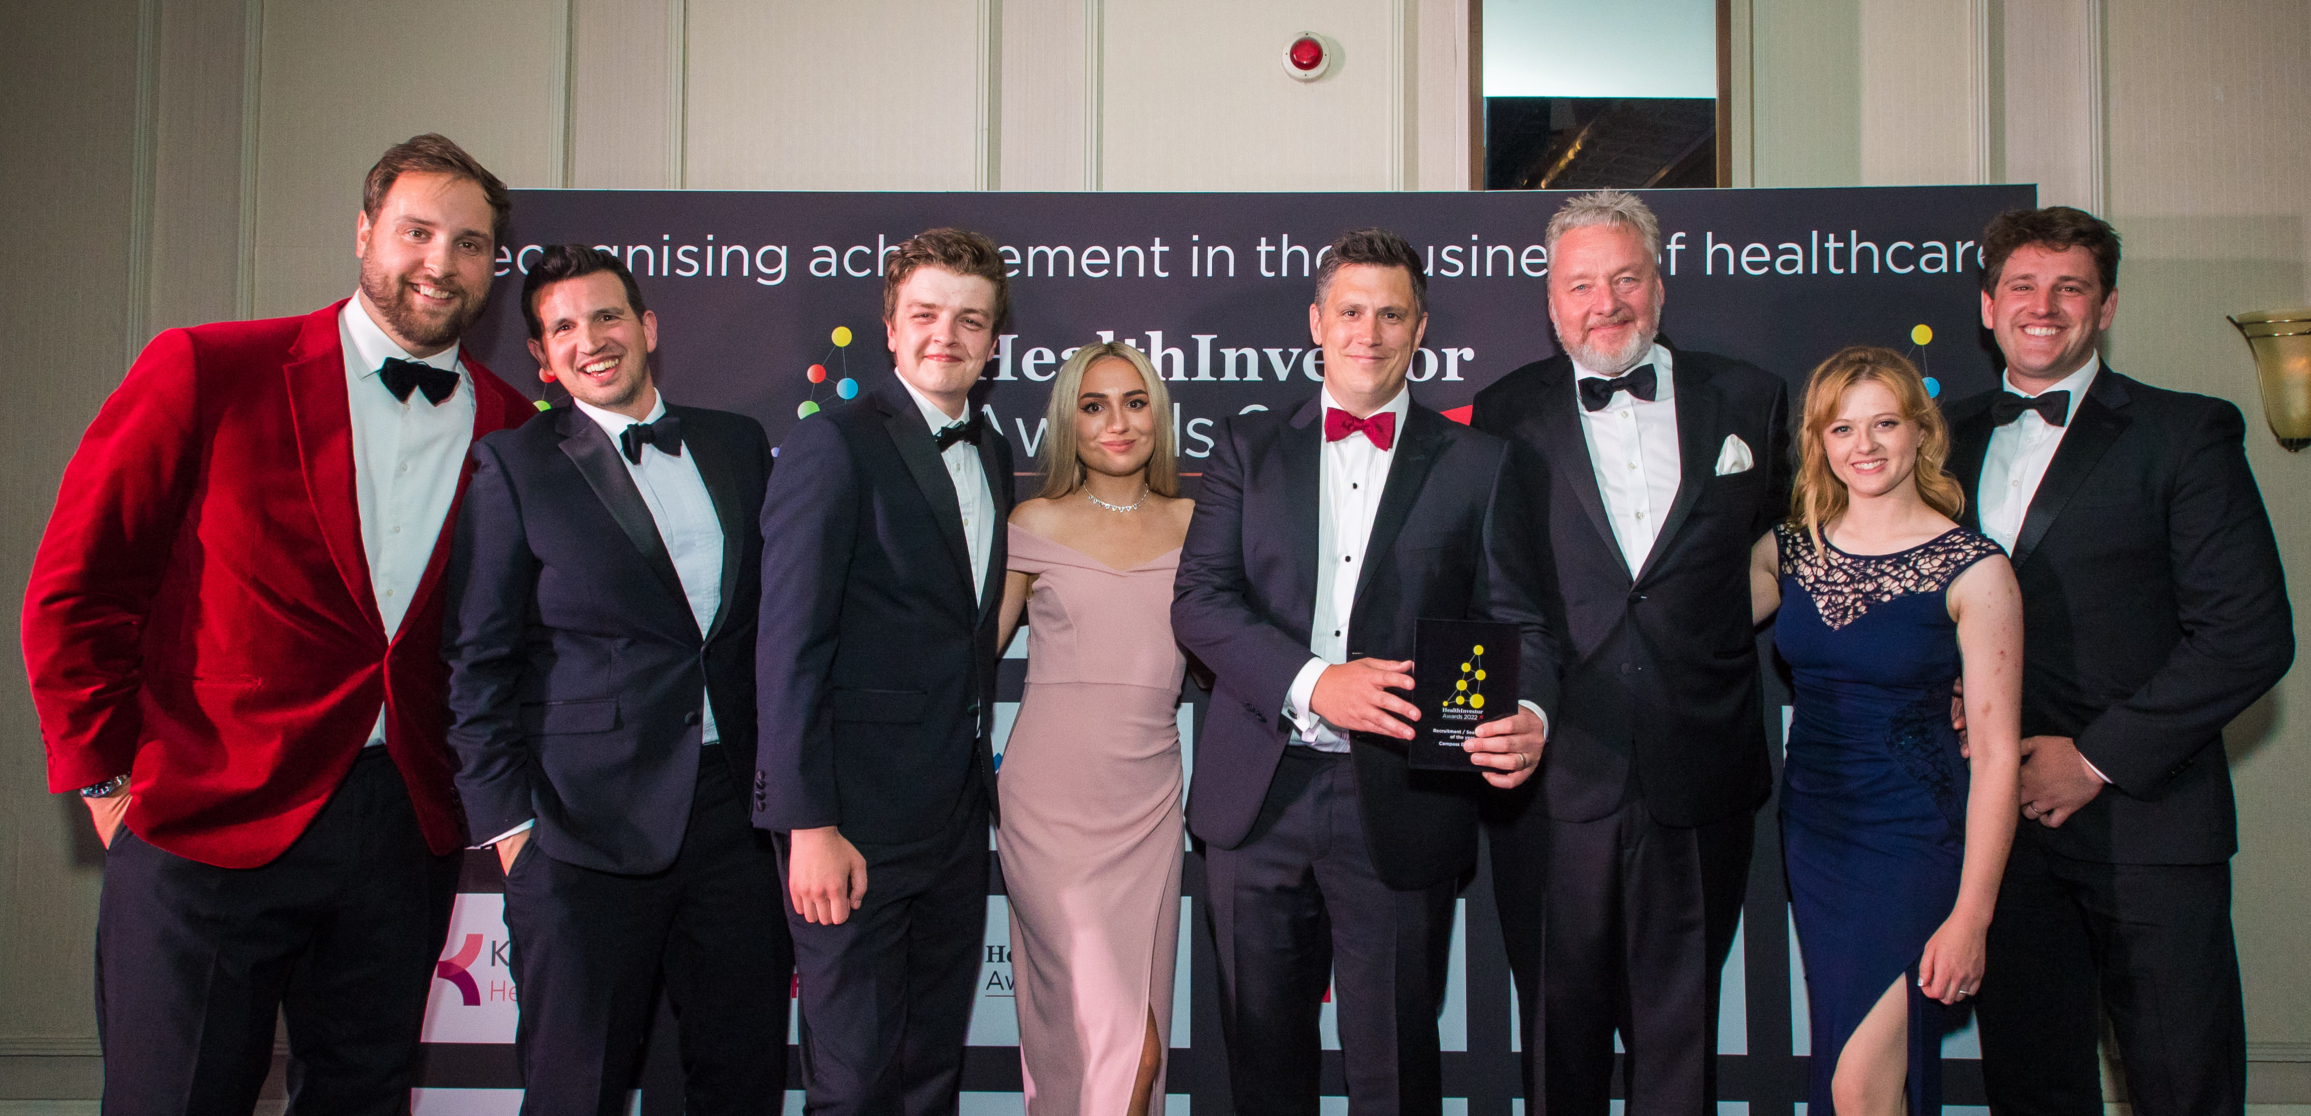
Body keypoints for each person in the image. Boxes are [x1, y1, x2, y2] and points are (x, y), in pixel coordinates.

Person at [20, 134, 535, 1114]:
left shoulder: (514, 428)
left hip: (402, 830)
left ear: (493, 267)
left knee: (363, 1095)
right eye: (417, 232)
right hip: (202, 813)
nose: (440, 262)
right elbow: (78, 584)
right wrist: (102, 777)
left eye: (469, 244)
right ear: (363, 234)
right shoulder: (210, 368)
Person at [1172, 226, 1558, 1116]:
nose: (1368, 333)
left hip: (1403, 799)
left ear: (1420, 329)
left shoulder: (1479, 463)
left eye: (1391, 314)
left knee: (1394, 1074)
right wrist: (1316, 682)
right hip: (1257, 797)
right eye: (1350, 311)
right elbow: (1199, 602)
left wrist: (1529, 710)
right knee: (1261, 1071)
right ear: (1316, 321)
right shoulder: (1247, 446)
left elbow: (1519, 622)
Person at [1944, 207, 2293, 1116]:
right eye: (2021, 286)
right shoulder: (1941, 438)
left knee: (2181, 1085)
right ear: (1987, 306)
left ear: (2103, 309)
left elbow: (2247, 636)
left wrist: (2093, 758)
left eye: (2069, 288)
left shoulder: (2184, 433)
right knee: (2033, 1086)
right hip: (1998, 835)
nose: (2042, 306)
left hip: (2149, 831)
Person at [441, 245, 789, 1115]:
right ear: (540, 356)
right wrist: (511, 833)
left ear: (647, 328)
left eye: (606, 317)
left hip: (735, 825)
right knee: (577, 1083)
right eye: (563, 328)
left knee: (736, 1072)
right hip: (579, 831)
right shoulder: (511, 468)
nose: (590, 340)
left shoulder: (737, 443)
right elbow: (477, 659)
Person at [1468, 188, 1789, 1116]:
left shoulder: (1751, 399)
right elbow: (1485, 584)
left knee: (1680, 1039)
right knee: (1556, 1042)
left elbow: (1791, 552)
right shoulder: (1499, 414)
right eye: (1580, 285)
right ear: (1549, 300)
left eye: (1624, 278)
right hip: (1553, 776)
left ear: (1660, 282)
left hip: (1702, 770)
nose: (1603, 303)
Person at [756, 227, 1016, 1115]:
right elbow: (788, 646)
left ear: (991, 340)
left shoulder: (989, 453)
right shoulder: (834, 447)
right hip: (851, 826)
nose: (948, 335)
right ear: (891, 328)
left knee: (927, 1067)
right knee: (855, 1080)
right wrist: (807, 824)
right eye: (926, 315)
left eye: (970, 320)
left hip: (950, 822)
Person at [1747, 347, 2023, 1115]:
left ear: (1919, 431)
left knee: (1858, 1085)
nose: (1862, 446)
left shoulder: (1973, 569)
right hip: (1817, 835)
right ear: (1819, 442)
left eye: (1882, 424)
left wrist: (1973, 913)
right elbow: (1673, 623)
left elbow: (1998, 756)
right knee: (1856, 1074)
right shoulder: (1790, 551)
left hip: (1917, 845)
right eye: (1841, 428)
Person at [994, 341, 1194, 1116]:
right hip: (1051, 810)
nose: (1118, 422)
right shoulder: (1032, 521)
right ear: (1067, 423)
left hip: (1146, 804)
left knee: (1132, 1051)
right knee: (1119, 1041)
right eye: (1094, 405)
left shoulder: (1197, 523)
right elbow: (970, 663)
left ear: (1158, 417)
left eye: (1135, 402)